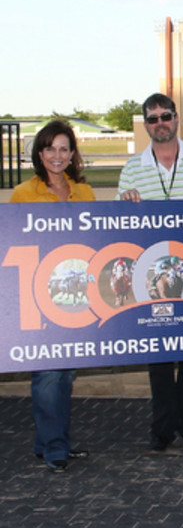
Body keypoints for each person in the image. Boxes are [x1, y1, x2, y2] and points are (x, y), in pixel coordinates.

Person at [118, 93, 183, 452]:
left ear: (176, 119)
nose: (160, 123)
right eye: (152, 118)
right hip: (149, 276)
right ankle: (162, 431)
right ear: (146, 124)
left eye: (166, 116)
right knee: (158, 356)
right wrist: (127, 204)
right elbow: (121, 225)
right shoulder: (133, 168)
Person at [10, 120, 96, 472]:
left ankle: (47, 441)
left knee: (64, 374)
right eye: (50, 149)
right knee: (47, 373)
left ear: (72, 154)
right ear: (40, 153)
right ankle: (56, 447)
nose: (57, 156)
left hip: (74, 296)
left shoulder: (84, 193)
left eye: (64, 149)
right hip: (36, 294)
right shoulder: (23, 193)